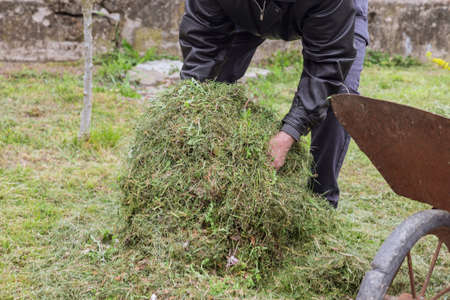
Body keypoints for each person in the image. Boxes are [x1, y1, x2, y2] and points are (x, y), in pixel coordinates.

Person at [179, 0, 369, 208]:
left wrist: (290, 132)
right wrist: (192, 103)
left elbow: (327, 67)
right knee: (210, 84)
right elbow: (202, 40)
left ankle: (320, 202)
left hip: (330, 14)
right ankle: (209, 179)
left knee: (338, 98)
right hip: (245, 11)